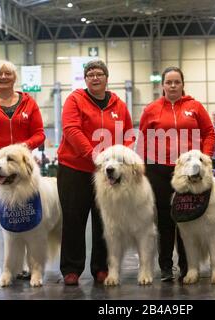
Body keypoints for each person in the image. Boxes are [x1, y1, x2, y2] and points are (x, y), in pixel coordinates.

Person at [58, 59, 134, 286]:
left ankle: (101, 267)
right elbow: (71, 129)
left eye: (99, 73)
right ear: (85, 79)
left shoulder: (119, 105)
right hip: (75, 169)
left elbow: (129, 134)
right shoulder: (74, 100)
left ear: (106, 78)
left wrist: (121, 156)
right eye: (90, 74)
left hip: (108, 173)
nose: (95, 77)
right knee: (74, 220)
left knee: (105, 221)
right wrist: (94, 155)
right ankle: (71, 269)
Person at [0, 60, 45, 287]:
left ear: (15, 77)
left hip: (21, 170)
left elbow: (40, 133)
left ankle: (24, 267)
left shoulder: (29, 103)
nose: (3, 77)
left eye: (8, 73)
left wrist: (22, 149)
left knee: (24, 218)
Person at [138, 66, 215, 282]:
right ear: (162, 85)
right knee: (164, 219)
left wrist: (204, 157)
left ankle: (186, 265)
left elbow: (209, 132)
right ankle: (165, 266)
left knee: (187, 217)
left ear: (183, 84)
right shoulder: (151, 109)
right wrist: (143, 167)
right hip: (159, 170)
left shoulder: (195, 107)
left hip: (189, 172)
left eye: (176, 82)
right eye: (169, 82)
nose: (172, 85)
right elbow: (143, 139)